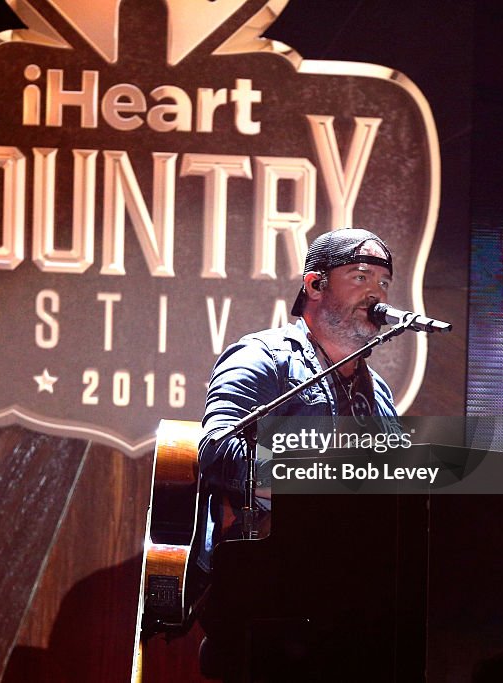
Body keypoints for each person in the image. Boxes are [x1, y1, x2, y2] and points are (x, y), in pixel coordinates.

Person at [191, 227, 400, 680]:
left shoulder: (378, 392)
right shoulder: (262, 357)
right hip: (269, 596)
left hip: (355, 603)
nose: (376, 293)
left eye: (384, 283)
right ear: (314, 285)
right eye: (361, 277)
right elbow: (216, 451)